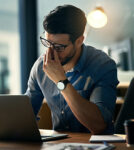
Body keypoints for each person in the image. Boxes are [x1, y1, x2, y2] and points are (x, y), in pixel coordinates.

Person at [26, 4, 119, 134]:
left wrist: (61, 81)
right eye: (47, 43)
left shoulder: (102, 65)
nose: (51, 52)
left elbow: (99, 125)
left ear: (79, 41)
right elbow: (25, 115)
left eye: (59, 47)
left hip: (96, 145)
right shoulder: (41, 66)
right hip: (58, 144)